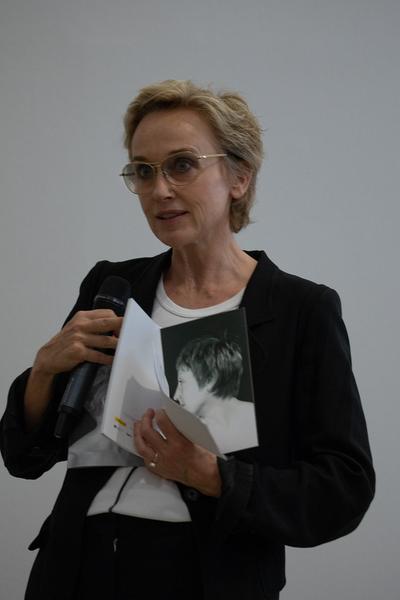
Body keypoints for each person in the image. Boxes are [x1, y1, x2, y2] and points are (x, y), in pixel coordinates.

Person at [0, 79, 375, 600]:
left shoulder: (300, 310)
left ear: (239, 177)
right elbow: (25, 457)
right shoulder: (113, 285)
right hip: (74, 568)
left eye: (181, 165)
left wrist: (213, 475)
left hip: (204, 576)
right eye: (143, 170)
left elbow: (343, 487)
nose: (159, 190)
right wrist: (44, 370)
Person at [173, 335, 257, 453]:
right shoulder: (192, 437)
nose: (175, 396)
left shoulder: (255, 418)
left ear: (210, 380)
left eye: (181, 382)